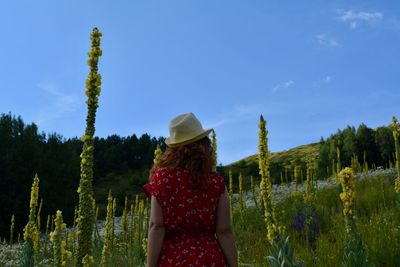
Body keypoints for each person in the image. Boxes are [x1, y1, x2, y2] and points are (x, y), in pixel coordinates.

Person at [143, 112, 238, 267]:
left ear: (172, 150)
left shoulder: (162, 179)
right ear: (204, 144)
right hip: (210, 258)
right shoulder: (215, 181)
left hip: (173, 259)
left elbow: (156, 226)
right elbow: (224, 230)